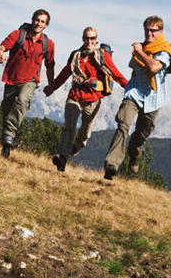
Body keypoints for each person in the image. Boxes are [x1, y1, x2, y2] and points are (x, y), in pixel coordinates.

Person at [44, 27, 127, 172]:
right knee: (69, 128)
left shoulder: (102, 56)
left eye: (92, 38)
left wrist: (130, 88)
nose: (89, 41)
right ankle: (62, 158)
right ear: (83, 39)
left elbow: (116, 74)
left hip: (93, 100)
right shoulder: (76, 56)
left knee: (84, 135)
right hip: (75, 97)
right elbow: (65, 73)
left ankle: (71, 151)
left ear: (96, 39)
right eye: (87, 38)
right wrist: (52, 87)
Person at [103, 15, 171, 180]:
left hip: (153, 97)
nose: (149, 34)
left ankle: (134, 156)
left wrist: (140, 52)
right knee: (123, 123)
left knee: (141, 134)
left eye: (153, 31)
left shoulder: (165, 51)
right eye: (147, 30)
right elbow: (135, 69)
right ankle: (112, 164)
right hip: (135, 92)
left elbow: (153, 67)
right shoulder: (141, 47)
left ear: (161, 32)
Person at [0, 10, 55, 158]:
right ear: (32, 20)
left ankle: (9, 137)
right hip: (11, 78)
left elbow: (50, 65)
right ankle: (5, 141)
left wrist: (51, 85)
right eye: (37, 20)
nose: (39, 23)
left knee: (22, 101)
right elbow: (2, 47)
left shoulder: (48, 44)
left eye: (42, 22)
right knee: (7, 109)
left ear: (46, 25)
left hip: (31, 80)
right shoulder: (18, 35)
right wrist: (0, 53)